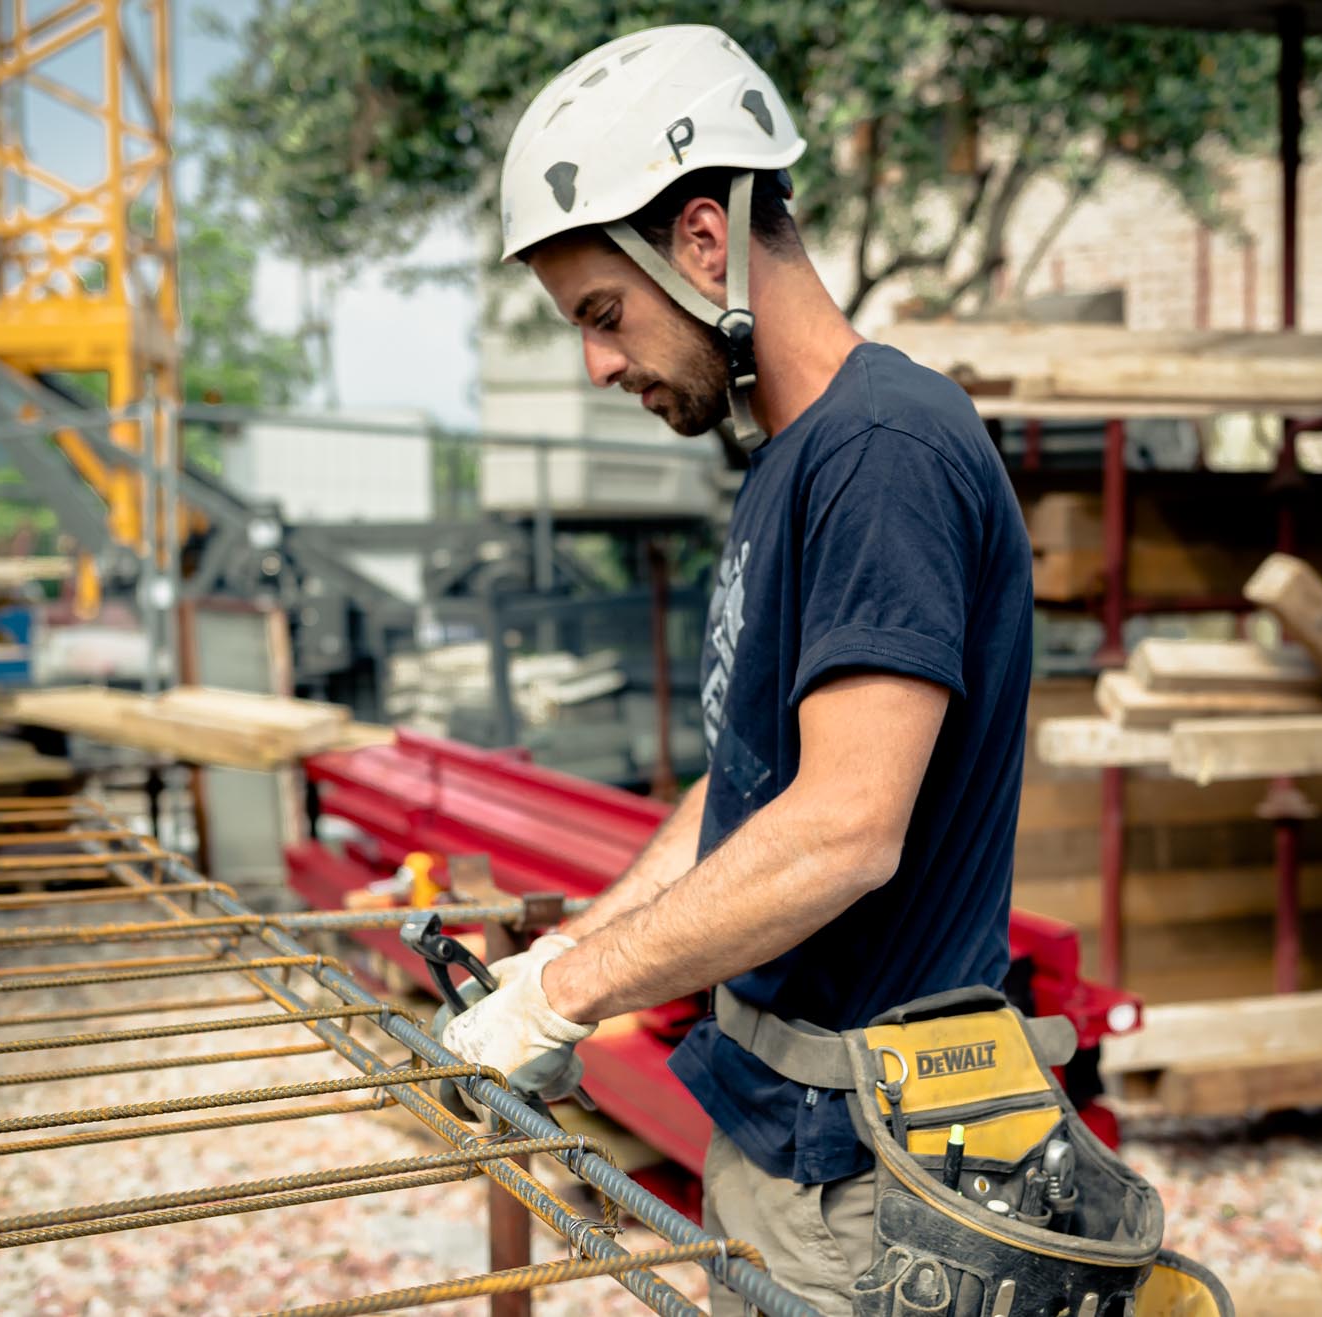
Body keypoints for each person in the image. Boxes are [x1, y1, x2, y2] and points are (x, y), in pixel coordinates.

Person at [440, 25, 1034, 1315]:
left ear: (703, 243)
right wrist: (561, 968)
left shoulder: (885, 451)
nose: (598, 364)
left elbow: (841, 833)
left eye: (604, 314)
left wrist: (570, 993)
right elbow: (749, 792)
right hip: (785, 1138)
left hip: (869, 1179)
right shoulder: (791, 462)